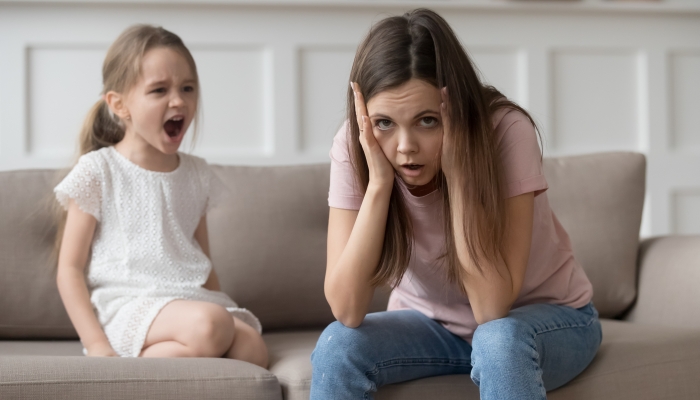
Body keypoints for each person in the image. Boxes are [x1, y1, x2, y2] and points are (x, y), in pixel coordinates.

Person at [311, 8, 600, 399]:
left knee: (497, 340)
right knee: (336, 346)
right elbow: (347, 310)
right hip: (431, 326)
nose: (405, 147)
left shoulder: (506, 131)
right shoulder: (355, 145)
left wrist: (460, 175)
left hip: (542, 319)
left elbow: (491, 311)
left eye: (427, 120)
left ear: (456, 109)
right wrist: (379, 185)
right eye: (384, 123)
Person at [54, 25, 268, 366]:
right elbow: (69, 269)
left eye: (188, 88)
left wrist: (219, 304)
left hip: (189, 301)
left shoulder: (197, 174)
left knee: (253, 349)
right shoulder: (99, 171)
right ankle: (122, 368)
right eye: (159, 90)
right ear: (119, 104)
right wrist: (96, 344)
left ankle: (141, 369)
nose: (179, 100)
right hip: (128, 304)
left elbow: (202, 259)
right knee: (211, 325)